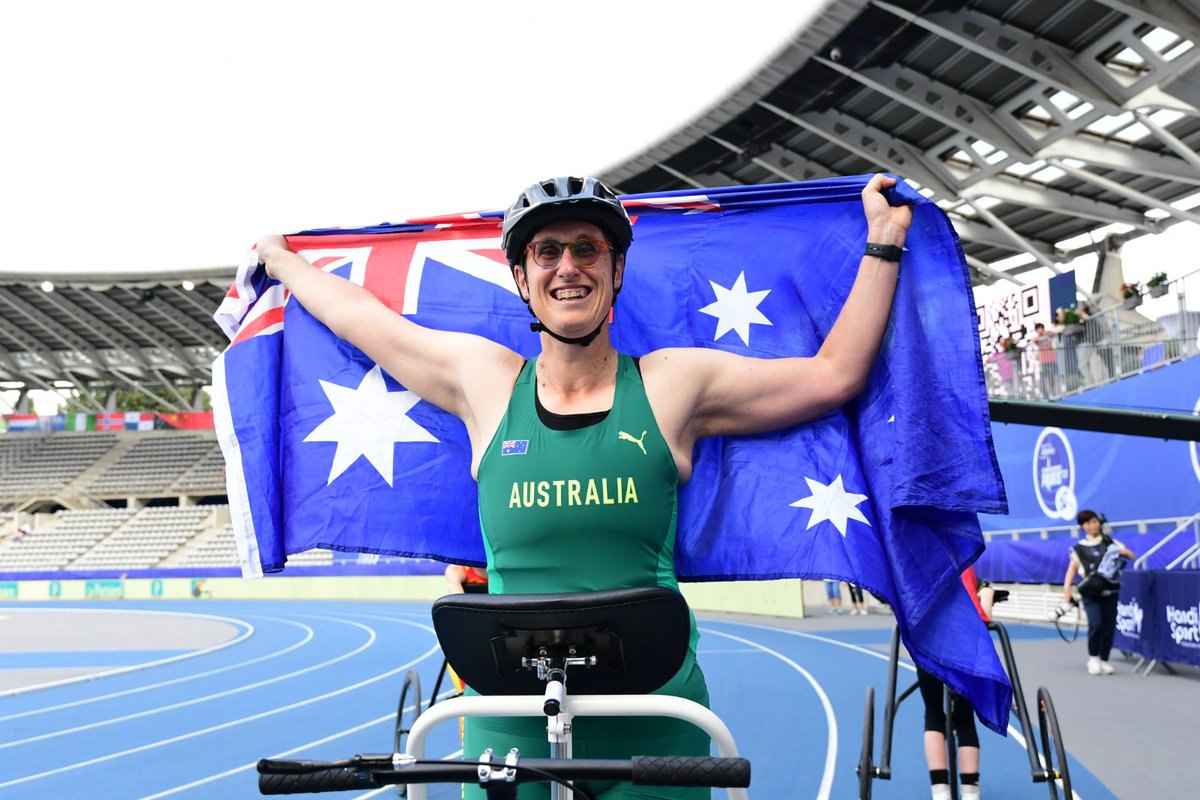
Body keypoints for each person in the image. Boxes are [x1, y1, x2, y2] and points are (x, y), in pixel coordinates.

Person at [256, 173, 910, 799]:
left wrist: (882, 243)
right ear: (522, 276)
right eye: (546, 251)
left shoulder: (672, 384)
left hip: (655, 721)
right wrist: (284, 263)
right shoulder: (485, 383)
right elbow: (360, 320)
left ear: (616, 269)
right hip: (509, 728)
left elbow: (834, 374)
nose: (568, 266)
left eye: (587, 248)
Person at [918, 565, 994, 800]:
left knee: (933, 712)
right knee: (964, 715)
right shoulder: (965, 560)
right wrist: (988, 598)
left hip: (928, 636)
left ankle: (940, 791)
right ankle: (971, 791)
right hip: (965, 638)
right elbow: (985, 610)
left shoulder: (913, 556)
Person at [1062, 509, 1134, 675]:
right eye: (1087, 523)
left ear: (1099, 523)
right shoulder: (1078, 548)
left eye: (1094, 521)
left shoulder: (1111, 543)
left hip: (1110, 591)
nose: (1092, 525)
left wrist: (1123, 552)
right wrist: (1067, 590)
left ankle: (1104, 659)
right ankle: (1093, 658)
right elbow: (1071, 569)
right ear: (1082, 526)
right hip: (1090, 593)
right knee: (1096, 624)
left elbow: (1131, 556)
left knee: (1109, 627)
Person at [1031, 322, 1058, 398]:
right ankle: (1050, 394)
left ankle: (1056, 392)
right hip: (1043, 360)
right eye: (1038, 329)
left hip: (1052, 358)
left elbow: (1053, 334)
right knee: (1046, 377)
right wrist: (1040, 337)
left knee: (1054, 376)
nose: (1040, 330)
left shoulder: (1048, 335)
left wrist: (1046, 334)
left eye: (1041, 328)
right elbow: (1032, 341)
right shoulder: (1037, 338)